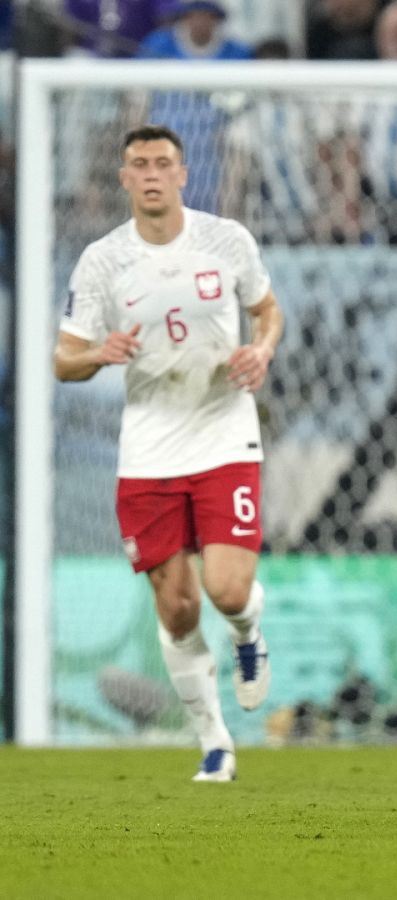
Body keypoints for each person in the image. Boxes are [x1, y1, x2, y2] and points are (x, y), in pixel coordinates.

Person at [54, 126, 283, 782]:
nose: (151, 174)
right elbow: (62, 358)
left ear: (183, 174)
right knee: (177, 606)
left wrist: (261, 350)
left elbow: (268, 312)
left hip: (223, 434)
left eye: (162, 163)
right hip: (149, 452)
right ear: (124, 178)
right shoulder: (102, 261)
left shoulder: (227, 240)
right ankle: (214, 742)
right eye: (138, 165)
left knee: (227, 588)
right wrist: (98, 352)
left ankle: (247, 635)